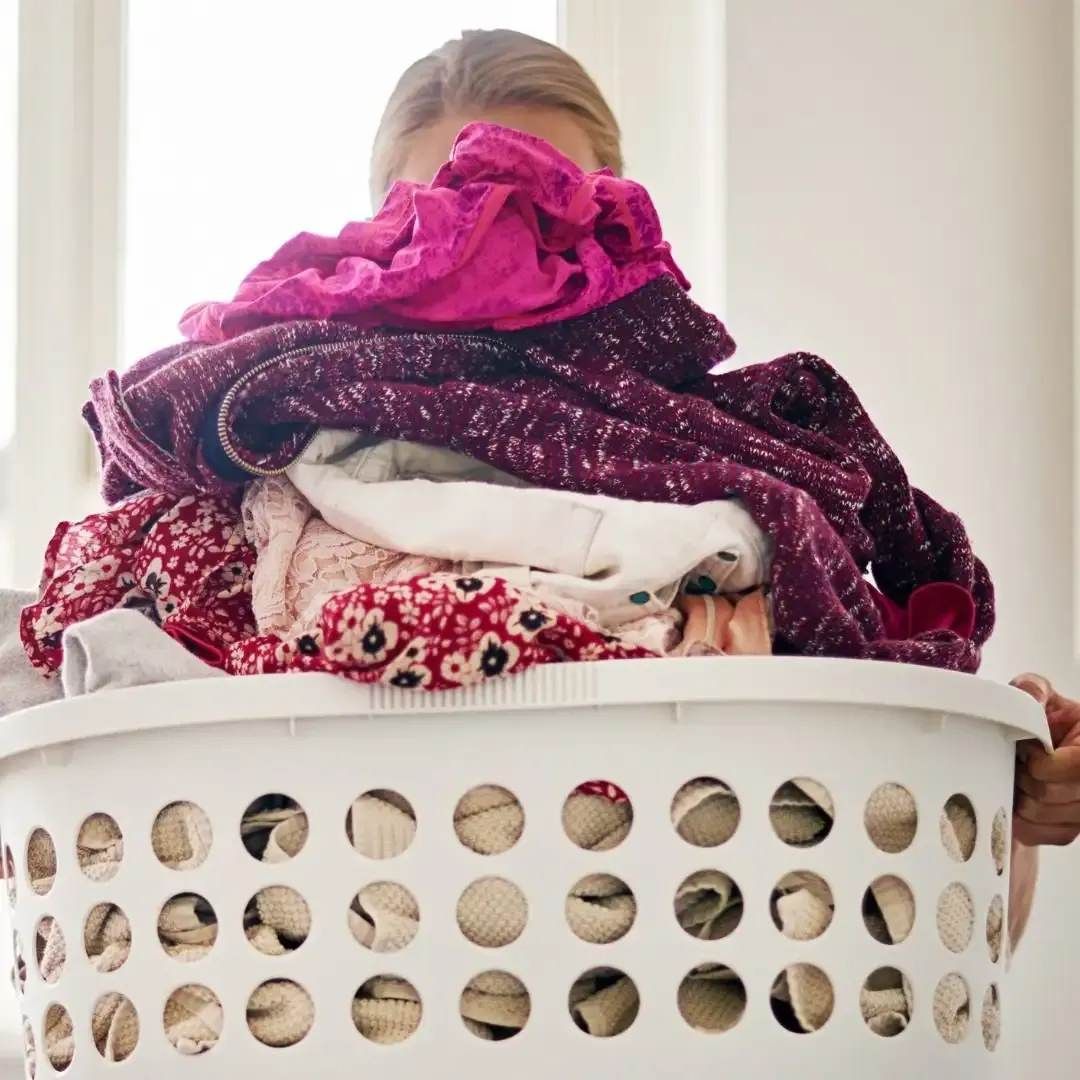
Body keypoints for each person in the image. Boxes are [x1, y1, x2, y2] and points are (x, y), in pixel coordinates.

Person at [369, 27, 1080, 944]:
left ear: (621, 219)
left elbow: (912, 913)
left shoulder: (740, 473)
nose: (499, 260)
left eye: (549, 213)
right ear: (380, 241)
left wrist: (1007, 775)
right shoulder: (301, 465)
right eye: (451, 218)